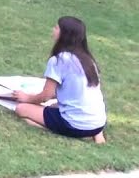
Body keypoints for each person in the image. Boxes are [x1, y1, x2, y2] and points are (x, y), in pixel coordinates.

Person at [12, 16, 107, 144]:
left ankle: (73, 134)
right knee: (53, 106)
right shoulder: (88, 60)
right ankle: (96, 135)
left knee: (21, 109)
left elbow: (46, 95)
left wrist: (27, 98)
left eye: (56, 27)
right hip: (98, 123)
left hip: (75, 124)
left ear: (64, 34)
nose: (53, 30)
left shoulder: (59, 60)